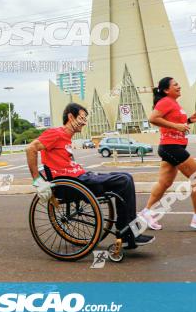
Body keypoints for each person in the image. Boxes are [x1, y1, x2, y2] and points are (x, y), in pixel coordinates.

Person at [26, 102, 155, 251]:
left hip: (80, 177)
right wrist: (37, 181)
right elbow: (31, 149)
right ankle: (128, 232)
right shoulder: (56, 133)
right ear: (70, 117)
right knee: (124, 181)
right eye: (81, 118)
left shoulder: (67, 137)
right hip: (72, 183)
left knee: (127, 176)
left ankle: (127, 230)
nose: (84, 122)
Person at [139, 76, 196, 231]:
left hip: (172, 146)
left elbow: (173, 122)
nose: (179, 86)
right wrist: (177, 126)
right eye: (175, 85)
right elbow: (153, 118)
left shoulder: (173, 103)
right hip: (171, 146)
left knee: (164, 183)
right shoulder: (165, 101)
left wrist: (189, 120)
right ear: (166, 90)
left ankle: (146, 212)